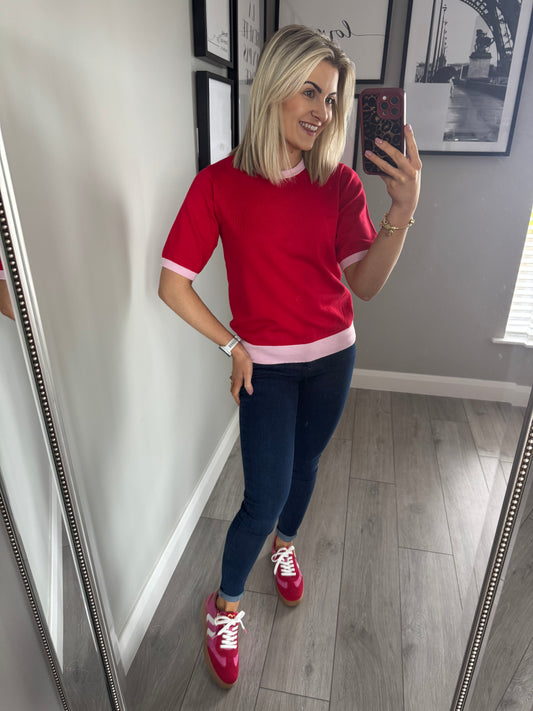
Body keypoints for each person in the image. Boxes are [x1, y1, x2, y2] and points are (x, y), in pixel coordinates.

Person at [159, 25, 421, 689]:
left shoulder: (339, 184)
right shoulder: (218, 184)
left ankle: (286, 546)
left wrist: (402, 211)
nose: (321, 111)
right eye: (309, 92)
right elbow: (173, 285)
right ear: (273, 88)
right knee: (264, 493)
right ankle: (224, 605)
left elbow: (365, 285)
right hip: (267, 369)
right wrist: (232, 345)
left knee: (305, 466)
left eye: (331, 99)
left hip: (334, 357)